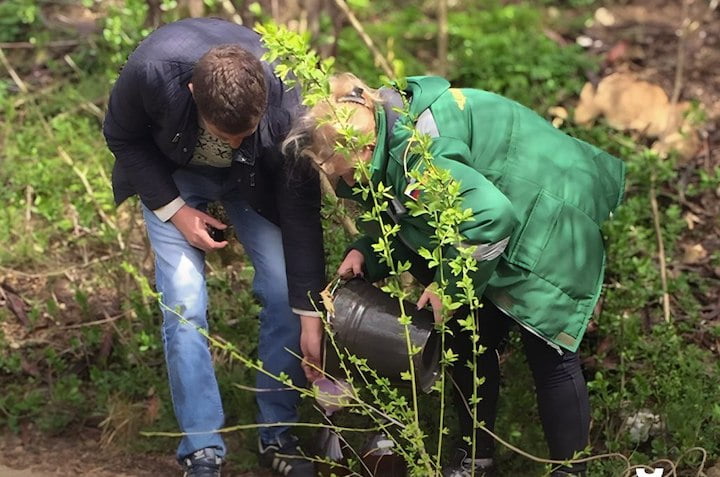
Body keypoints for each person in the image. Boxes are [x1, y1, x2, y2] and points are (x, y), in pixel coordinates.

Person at [286, 73, 625, 477]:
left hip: (548, 215)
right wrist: (366, 252)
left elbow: (492, 217)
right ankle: (476, 462)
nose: (344, 181)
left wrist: (448, 286)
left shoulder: (419, 153)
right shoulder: (387, 139)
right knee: (467, 340)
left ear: (366, 147)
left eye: (345, 172)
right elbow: (409, 215)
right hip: (496, 220)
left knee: (549, 351)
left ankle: (571, 471)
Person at [103, 18, 326, 477]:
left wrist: (310, 312)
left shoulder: (287, 100)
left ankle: (278, 434)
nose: (237, 141)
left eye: (247, 131)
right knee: (184, 303)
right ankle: (202, 449)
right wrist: (176, 211)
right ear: (190, 91)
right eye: (227, 135)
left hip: (252, 181)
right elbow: (122, 136)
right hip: (173, 177)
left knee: (286, 290)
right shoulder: (151, 71)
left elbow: (299, 207)